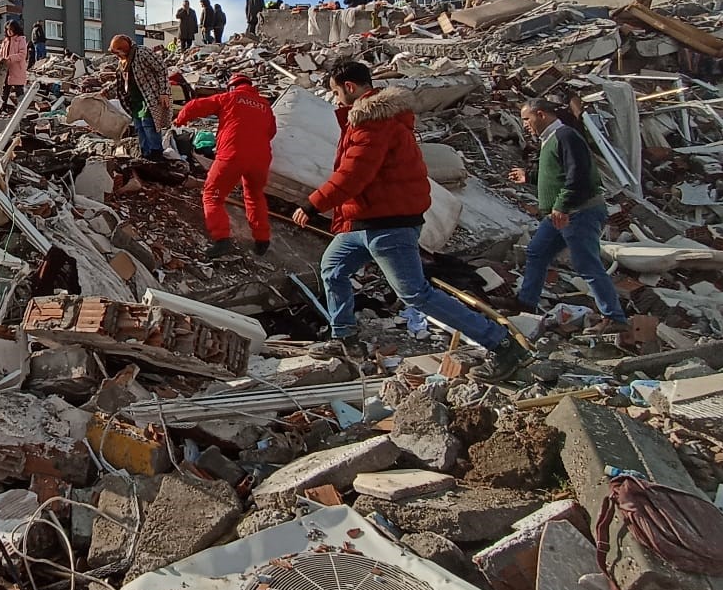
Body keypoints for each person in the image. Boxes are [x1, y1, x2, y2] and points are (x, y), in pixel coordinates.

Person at [292, 62, 529, 378]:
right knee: (333, 268)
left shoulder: (372, 123)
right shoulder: (370, 121)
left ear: (350, 87)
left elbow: (352, 175)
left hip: (388, 224)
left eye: (336, 92)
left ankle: (501, 344)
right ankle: (344, 336)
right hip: (364, 221)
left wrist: (311, 205)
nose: (335, 100)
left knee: (415, 294)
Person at [510, 98, 628, 333]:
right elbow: (557, 173)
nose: (524, 125)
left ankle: (614, 318)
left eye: (526, 119)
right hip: (560, 213)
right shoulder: (550, 140)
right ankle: (526, 304)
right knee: (537, 252)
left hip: (578, 212)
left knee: (587, 264)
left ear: (541, 114)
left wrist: (562, 205)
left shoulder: (565, 136)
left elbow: (578, 176)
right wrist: (529, 176)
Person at [175, 73, 276, 259]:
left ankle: (222, 239)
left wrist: (179, 120)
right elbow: (271, 132)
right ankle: (262, 239)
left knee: (212, 195)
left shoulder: (229, 97)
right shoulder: (265, 106)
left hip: (231, 155)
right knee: (255, 196)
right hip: (261, 159)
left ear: (232, 86)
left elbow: (195, 106)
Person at [110, 34, 170, 161]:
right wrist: (105, 91)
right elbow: (120, 82)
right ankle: (146, 154)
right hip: (135, 100)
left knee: (148, 124)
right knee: (139, 127)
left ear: (124, 49)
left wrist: (164, 92)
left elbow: (161, 68)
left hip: (149, 97)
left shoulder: (142, 53)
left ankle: (156, 154)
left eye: (118, 52)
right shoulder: (122, 62)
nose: (117, 56)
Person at [0, 19, 28, 109]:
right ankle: (2, 109)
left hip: (17, 69)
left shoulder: (21, 39)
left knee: (19, 90)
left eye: (11, 30)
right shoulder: (5, 41)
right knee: (4, 90)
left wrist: (9, 58)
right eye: (7, 30)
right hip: (5, 70)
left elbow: (22, 54)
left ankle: (22, 109)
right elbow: (1, 53)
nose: (9, 32)